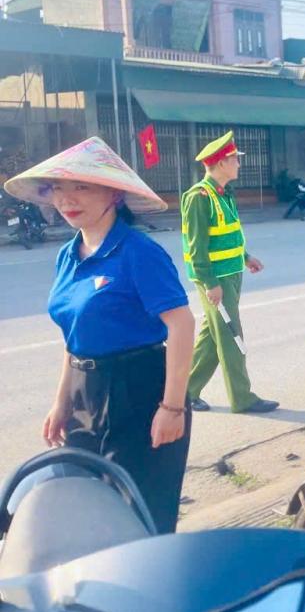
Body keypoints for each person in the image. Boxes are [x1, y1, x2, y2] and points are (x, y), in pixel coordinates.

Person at [4, 137, 194, 533]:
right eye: (58, 188)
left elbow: (181, 324)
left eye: (82, 186)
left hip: (139, 391)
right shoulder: (68, 254)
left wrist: (172, 407)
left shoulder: (138, 251)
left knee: (138, 514)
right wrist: (62, 402)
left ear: (114, 194)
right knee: (85, 508)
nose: (67, 198)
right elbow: (74, 335)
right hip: (83, 391)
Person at [183, 131, 278, 414]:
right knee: (231, 336)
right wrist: (209, 282)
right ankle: (242, 398)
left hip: (232, 274)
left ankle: (185, 392)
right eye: (235, 159)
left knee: (214, 336)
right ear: (222, 163)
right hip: (216, 279)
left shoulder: (223, 194)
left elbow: (228, 234)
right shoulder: (199, 197)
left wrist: (246, 257)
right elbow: (196, 247)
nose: (239, 163)